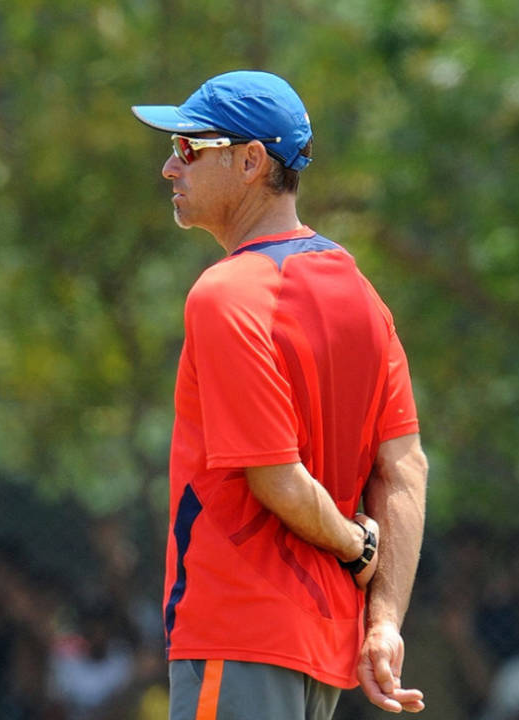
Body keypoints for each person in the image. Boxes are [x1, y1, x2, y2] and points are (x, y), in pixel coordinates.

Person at [130, 70, 429, 718]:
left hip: (239, 629)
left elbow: (276, 478)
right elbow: (404, 467)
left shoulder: (227, 293)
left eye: (188, 149)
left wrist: (360, 547)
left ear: (249, 161)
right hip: (320, 647)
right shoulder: (363, 296)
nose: (168, 167)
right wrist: (385, 623)